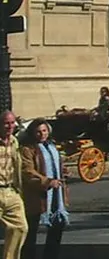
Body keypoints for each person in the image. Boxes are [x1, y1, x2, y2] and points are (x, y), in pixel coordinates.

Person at [20, 121, 67, 259]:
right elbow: (27, 171)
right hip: (36, 196)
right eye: (38, 132)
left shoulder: (51, 147)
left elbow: (56, 164)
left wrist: (63, 172)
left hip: (56, 195)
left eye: (45, 131)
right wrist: (47, 181)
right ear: (32, 133)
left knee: (57, 228)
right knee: (31, 233)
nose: (42, 134)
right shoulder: (27, 149)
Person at [0, 111, 27, 259]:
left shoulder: (14, 142)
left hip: (11, 190)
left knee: (20, 228)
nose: (10, 126)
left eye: (12, 123)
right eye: (6, 123)